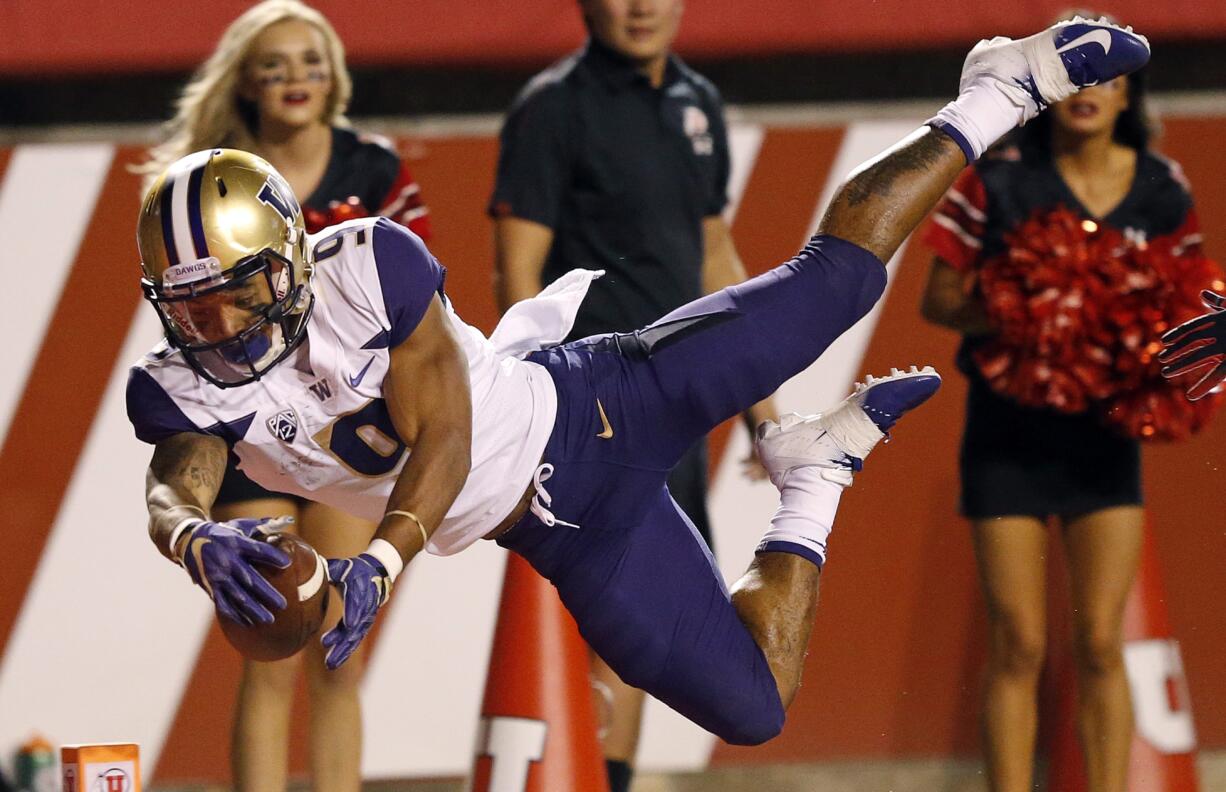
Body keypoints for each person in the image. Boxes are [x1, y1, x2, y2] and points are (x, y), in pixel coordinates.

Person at [126, 18, 1148, 757]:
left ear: (292, 258)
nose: (214, 325)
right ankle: (813, 475)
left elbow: (444, 433)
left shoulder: (367, 263)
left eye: (233, 292)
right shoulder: (182, 387)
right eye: (191, 305)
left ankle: (996, 90)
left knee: (832, 287)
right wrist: (191, 537)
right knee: (754, 710)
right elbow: (178, 475)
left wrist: (383, 564)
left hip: (597, 400)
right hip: (569, 532)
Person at [139, 2, 431, 790]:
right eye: (275, 63)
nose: (295, 76)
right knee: (270, 639)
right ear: (247, 83)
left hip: (345, 421)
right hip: (243, 424)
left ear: (334, 74)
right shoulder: (204, 180)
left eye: (311, 59)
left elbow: (418, 310)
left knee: (339, 644)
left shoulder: (373, 168)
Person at [488, 1, 771, 782]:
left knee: (650, 628)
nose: (641, 5)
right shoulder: (553, 110)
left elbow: (713, 251)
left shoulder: (698, 103)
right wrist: (536, 419)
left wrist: (762, 405)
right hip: (592, 414)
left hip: (676, 409)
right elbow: (517, 273)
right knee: (604, 616)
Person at [919, 39, 1194, 792]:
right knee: (1020, 642)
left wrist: (1159, 345)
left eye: (1109, 78)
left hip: (1104, 439)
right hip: (1006, 436)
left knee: (1102, 642)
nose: (1092, 88)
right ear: (1049, 87)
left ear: (1131, 98)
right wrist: (1022, 312)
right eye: (1078, 72)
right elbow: (936, 300)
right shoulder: (998, 184)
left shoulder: (1164, 191)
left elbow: (1191, 310)